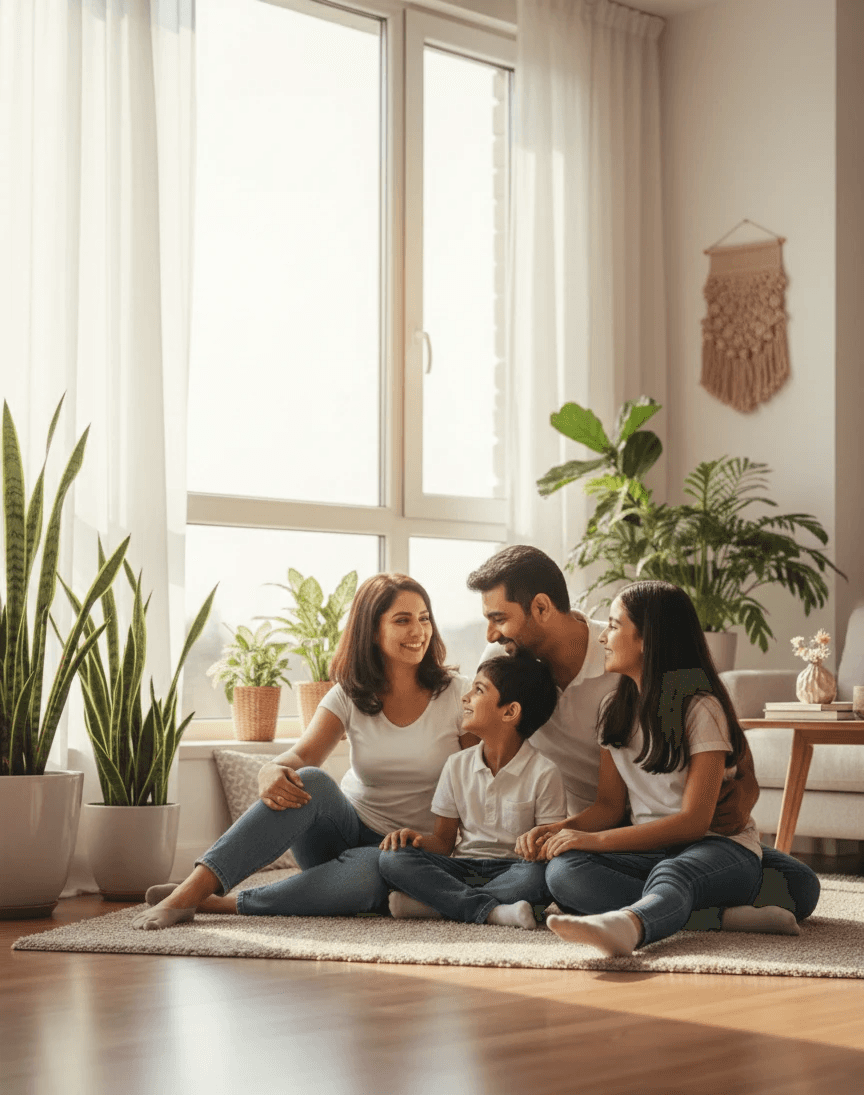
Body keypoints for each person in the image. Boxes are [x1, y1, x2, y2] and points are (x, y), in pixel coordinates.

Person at [467, 545, 820, 927]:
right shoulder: (507, 665)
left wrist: (746, 792)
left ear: (540, 607)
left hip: (681, 834)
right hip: (610, 828)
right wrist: (550, 830)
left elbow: (729, 749)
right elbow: (473, 742)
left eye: (499, 618)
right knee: (563, 875)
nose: (491, 633)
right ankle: (710, 915)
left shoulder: (635, 663)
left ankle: (654, 909)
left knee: (798, 886)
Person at [133, 574, 471, 930]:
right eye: (402, 620)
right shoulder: (349, 694)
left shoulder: (457, 695)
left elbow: (476, 780)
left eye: (424, 618)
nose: (418, 630)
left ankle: (223, 903)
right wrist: (271, 769)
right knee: (309, 780)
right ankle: (188, 893)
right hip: (343, 832)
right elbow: (302, 756)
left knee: (371, 878)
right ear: (372, 631)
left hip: (410, 852)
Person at [519, 580, 804, 956]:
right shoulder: (612, 710)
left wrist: (593, 841)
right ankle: (718, 918)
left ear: (647, 640)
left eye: (614, 625)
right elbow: (608, 807)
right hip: (652, 850)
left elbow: (693, 823)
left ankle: (632, 925)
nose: (603, 637)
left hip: (712, 845)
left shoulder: (701, 709)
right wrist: (558, 830)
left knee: (795, 886)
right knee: (564, 872)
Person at [378, 652, 566, 929]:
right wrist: (415, 839)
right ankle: (494, 911)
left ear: (510, 712)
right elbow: (443, 842)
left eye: (478, 690)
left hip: (514, 869)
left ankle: (438, 907)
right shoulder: (456, 765)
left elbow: (546, 849)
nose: (465, 698)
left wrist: (536, 847)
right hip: (462, 867)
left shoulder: (545, 772)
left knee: (541, 876)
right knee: (393, 858)